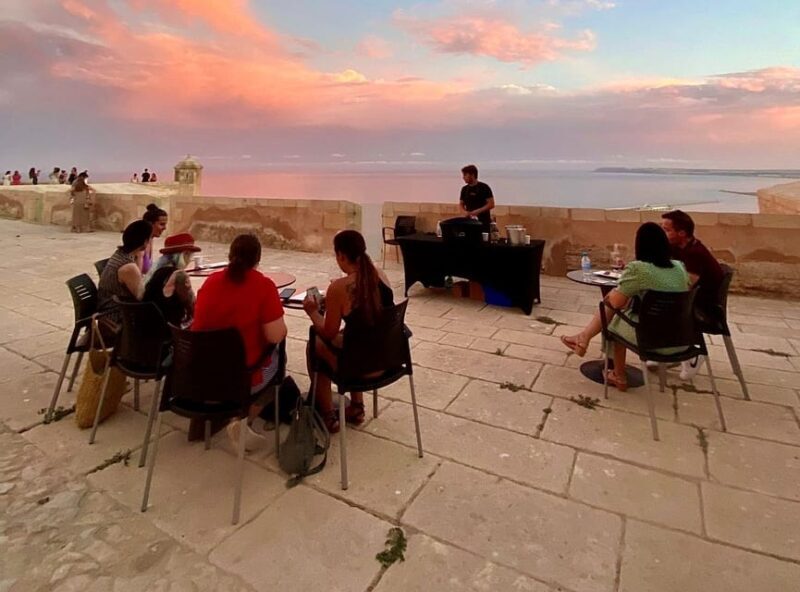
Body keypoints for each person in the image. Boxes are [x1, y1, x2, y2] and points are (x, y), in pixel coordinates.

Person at [561, 222, 690, 391]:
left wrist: (616, 292)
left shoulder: (639, 269)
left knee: (613, 322)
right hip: (682, 339)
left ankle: (618, 374)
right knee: (618, 310)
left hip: (653, 341)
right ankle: (583, 339)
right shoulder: (679, 267)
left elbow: (615, 302)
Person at [193, 234, 288, 450]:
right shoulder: (263, 286)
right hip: (243, 376)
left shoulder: (210, 281)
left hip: (205, 372)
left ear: (230, 255)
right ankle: (243, 420)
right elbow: (275, 336)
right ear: (257, 259)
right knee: (279, 363)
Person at [303, 229, 394, 433]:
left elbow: (328, 333)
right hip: (387, 360)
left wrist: (312, 312)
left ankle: (327, 415)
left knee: (315, 343)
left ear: (341, 255)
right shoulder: (380, 274)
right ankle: (356, 408)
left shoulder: (339, 288)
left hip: (358, 368)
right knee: (349, 334)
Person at [661, 210, 724, 380]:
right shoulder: (677, 247)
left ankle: (692, 353)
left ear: (682, 233)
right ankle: (667, 351)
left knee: (653, 307)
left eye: (667, 230)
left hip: (704, 308)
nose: (663, 233)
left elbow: (686, 286)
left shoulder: (695, 253)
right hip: (692, 300)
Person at [97, 220, 153, 333]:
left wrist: (140, 255)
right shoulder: (128, 267)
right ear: (145, 241)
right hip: (116, 318)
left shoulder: (120, 254)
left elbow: (138, 275)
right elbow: (142, 297)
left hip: (108, 310)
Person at [144, 233, 200, 327]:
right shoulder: (179, 275)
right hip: (170, 329)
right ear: (184, 254)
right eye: (190, 255)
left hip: (150, 325)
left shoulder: (156, 272)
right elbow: (192, 306)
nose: (190, 260)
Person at [459, 164, 495, 232]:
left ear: (472, 175)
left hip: (483, 222)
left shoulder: (484, 187)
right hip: (469, 222)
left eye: (465, 175)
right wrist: (464, 212)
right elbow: (461, 204)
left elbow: (491, 204)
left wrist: (477, 211)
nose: (463, 177)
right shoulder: (464, 189)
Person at [141, 203, 168, 275]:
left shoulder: (150, 240)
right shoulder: (140, 244)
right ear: (150, 224)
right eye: (162, 224)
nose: (165, 228)